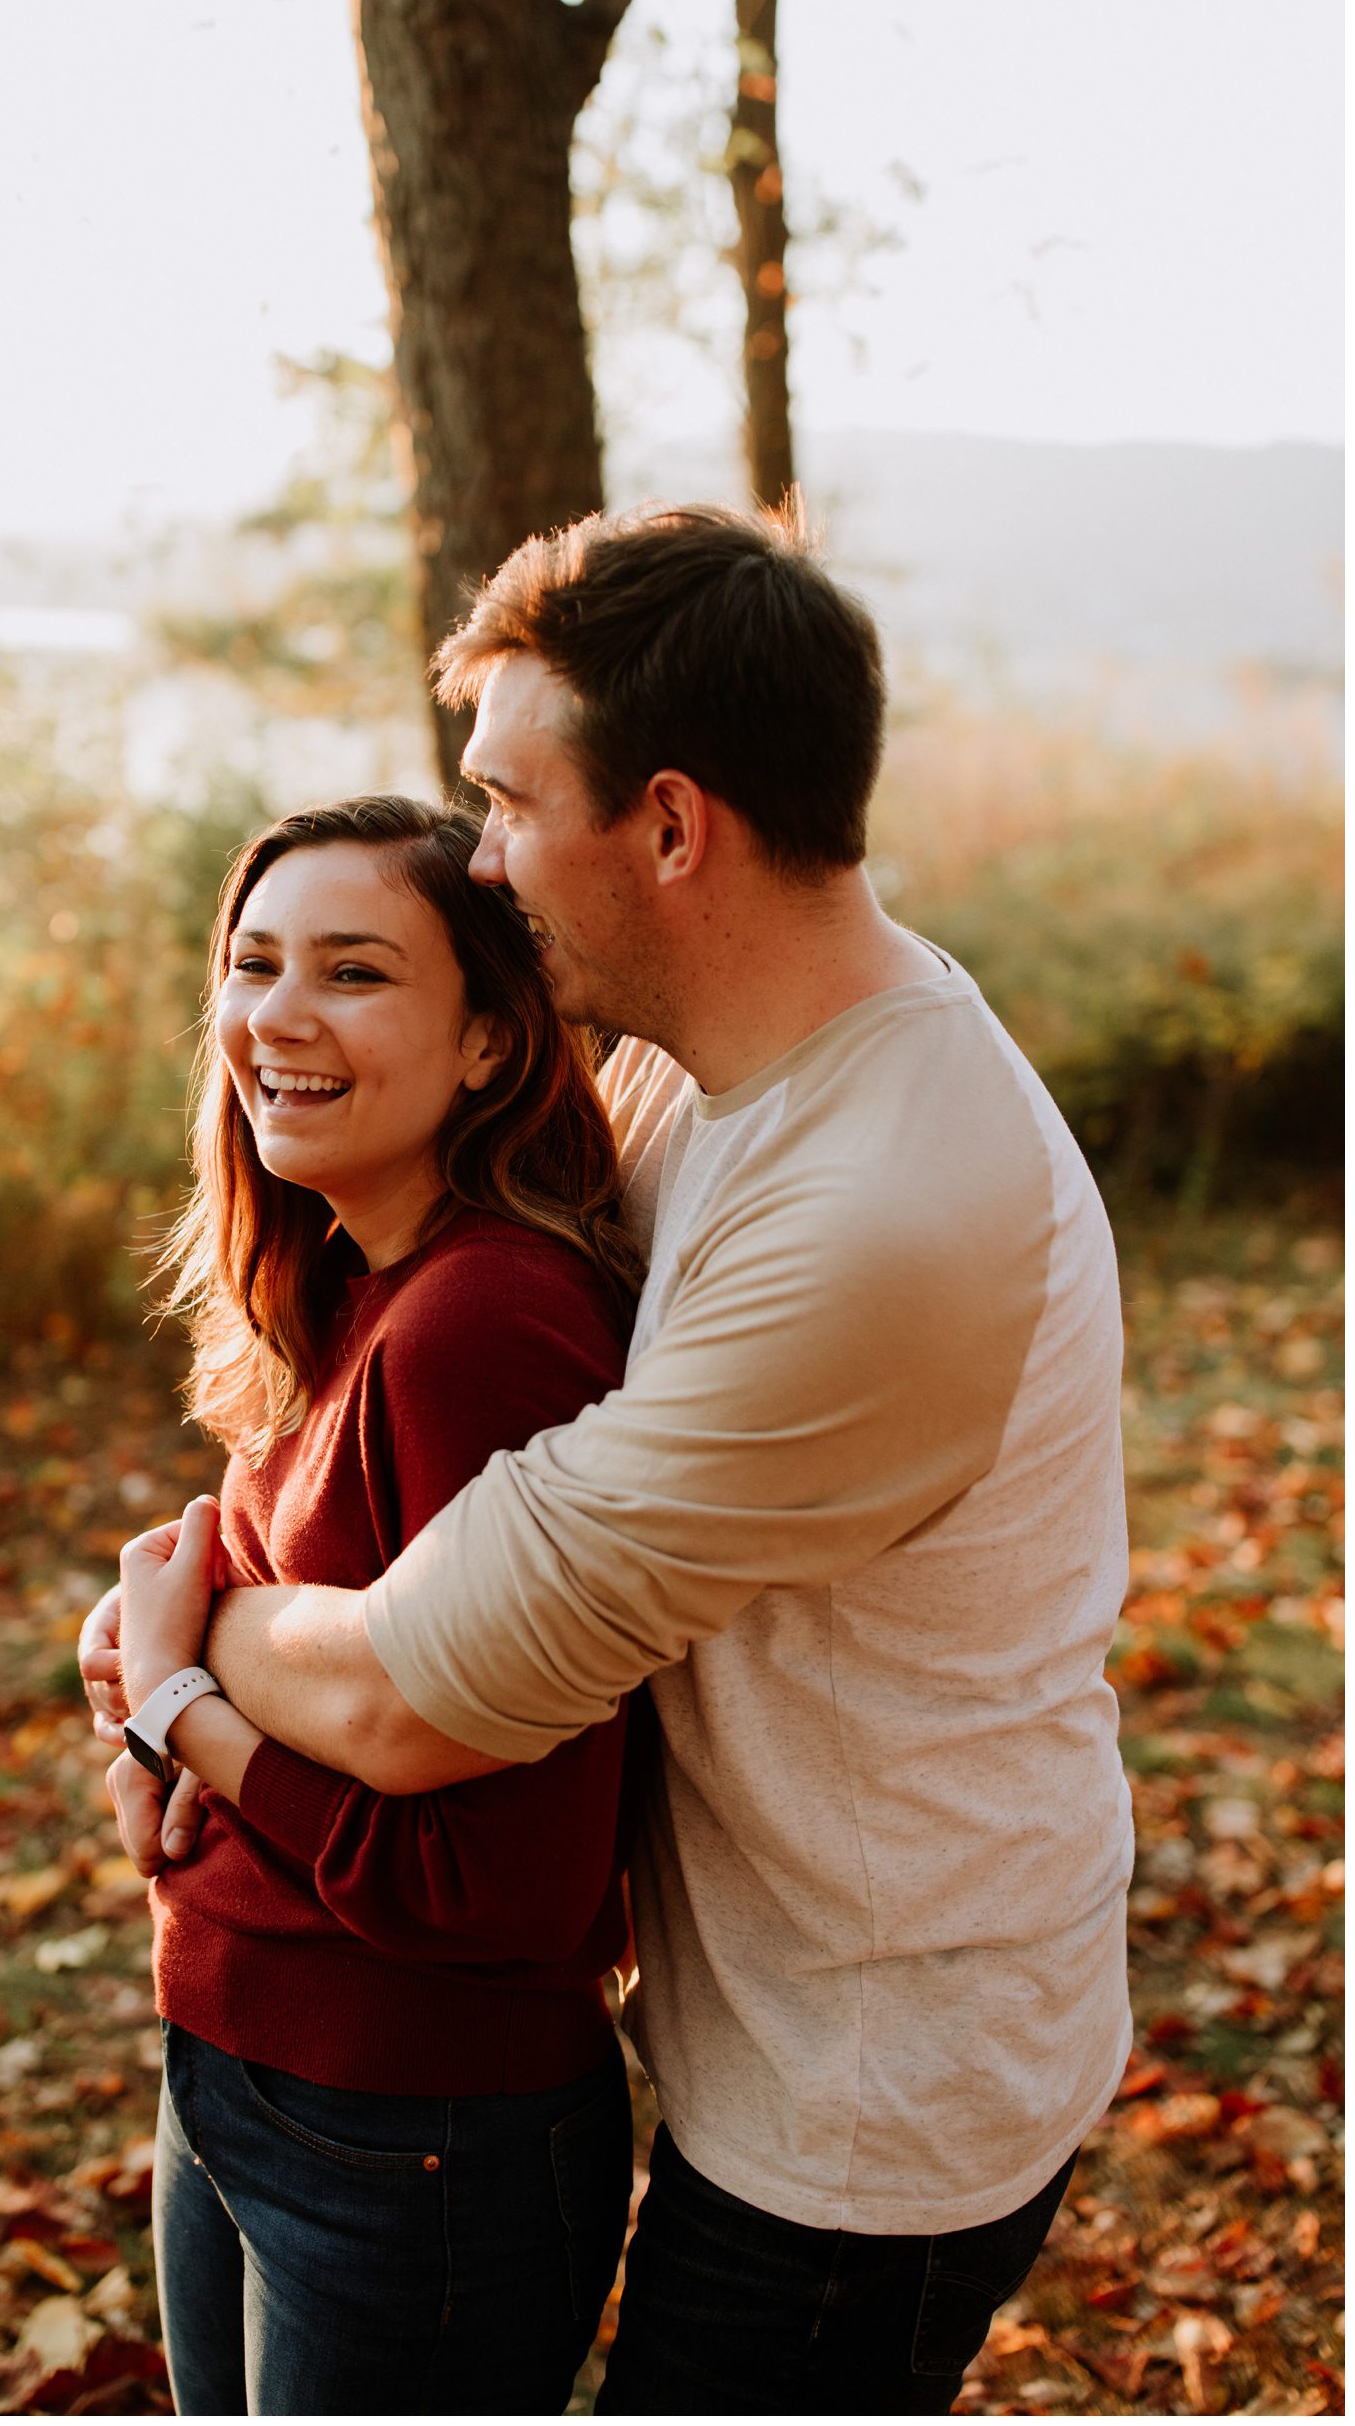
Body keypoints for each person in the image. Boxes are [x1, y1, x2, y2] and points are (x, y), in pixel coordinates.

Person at [88, 502, 1135, 2417]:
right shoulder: (695, 1055)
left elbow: (415, 1693)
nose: (481, 861)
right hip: (739, 2005)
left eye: (502, 803)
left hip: (871, 2085)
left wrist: (180, 1649)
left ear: (665, 826)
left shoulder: (884, 1205)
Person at [109, 793, 646, 2416]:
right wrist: (156, 1688)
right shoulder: (349, 1287)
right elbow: (228, 1622)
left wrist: (177, 1711)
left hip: (414, 2134)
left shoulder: (486, 1324)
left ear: (489, 1042)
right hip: (239, 2072)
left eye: (353, 973)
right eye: (255, 962)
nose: (278, 1014)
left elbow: (500, 1887)